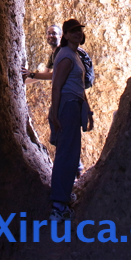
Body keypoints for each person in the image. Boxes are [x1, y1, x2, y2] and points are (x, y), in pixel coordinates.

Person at [48, 18, 94, 222]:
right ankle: (58, 206)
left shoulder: (74, 55)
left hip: (73, 106)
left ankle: (63, 195)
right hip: (67, 106)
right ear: (65, 35)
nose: (77, 33)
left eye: (79, 30)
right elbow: (56, 86)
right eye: (73, 31)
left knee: (71, 152)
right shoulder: (67, 56)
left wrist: (88, 111)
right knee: (67, 153)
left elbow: (79, 86)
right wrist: (54, 112)